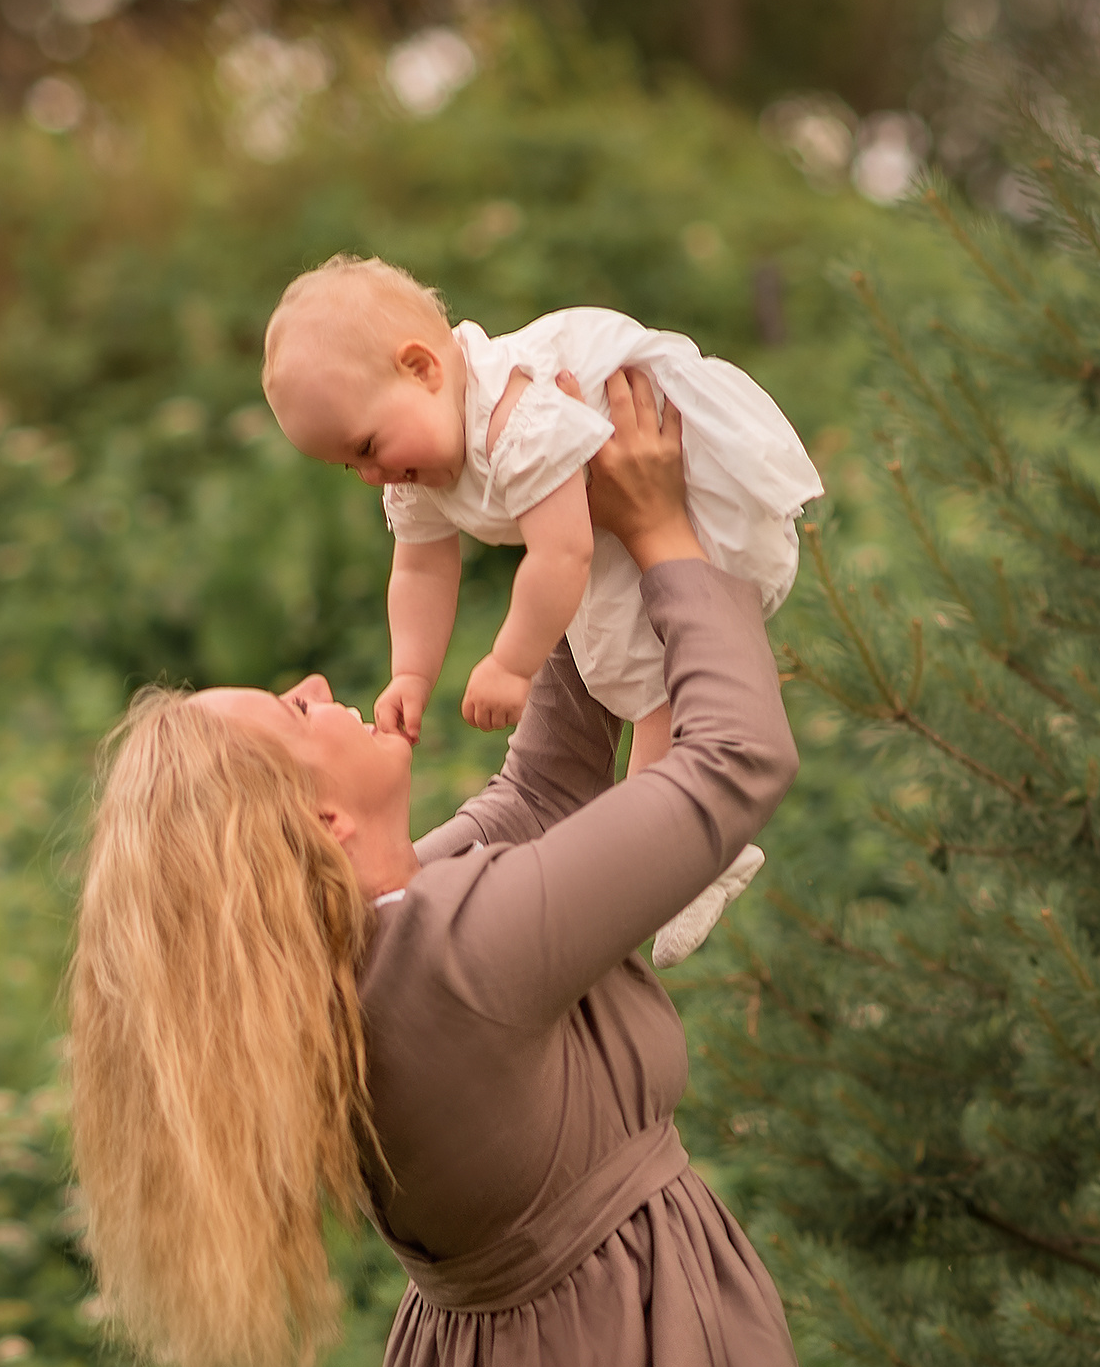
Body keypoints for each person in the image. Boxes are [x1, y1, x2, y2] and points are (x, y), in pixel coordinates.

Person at [69, 367, 861, 1367]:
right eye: (296, 712)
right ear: (318, 828)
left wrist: (568, 533)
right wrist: (665, 535)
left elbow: (547, 783)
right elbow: (733, 765)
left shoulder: (376, 943)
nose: (324, 681)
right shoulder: (459, 958)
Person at [262, 254, 823, 966]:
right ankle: (684, 850)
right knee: (625, 658)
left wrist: (510, 663)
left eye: (368, 446)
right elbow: (420, 566)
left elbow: (562, 557)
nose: (373, 474)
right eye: (351, 464)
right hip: (605, 516)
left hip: (672, 463)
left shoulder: (515, 422)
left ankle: (685, 854)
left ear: (423, 368)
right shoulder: (418, 462)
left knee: (645, 671)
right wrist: (411, 672)